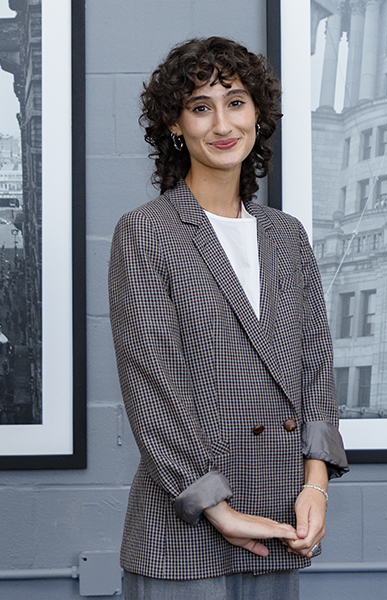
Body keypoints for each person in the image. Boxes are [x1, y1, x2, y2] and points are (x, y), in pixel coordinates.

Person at [109, 36, 348, 599]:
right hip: (182, 530)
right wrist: (220, 510)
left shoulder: (286, 235)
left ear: (257, 115)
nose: (222, 123)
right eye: (200, 106)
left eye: (235, 101)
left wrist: (316, 486)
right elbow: (153, 388)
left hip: (281, 520)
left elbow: (315, 369)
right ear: (175, 124)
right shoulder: (146, 232)